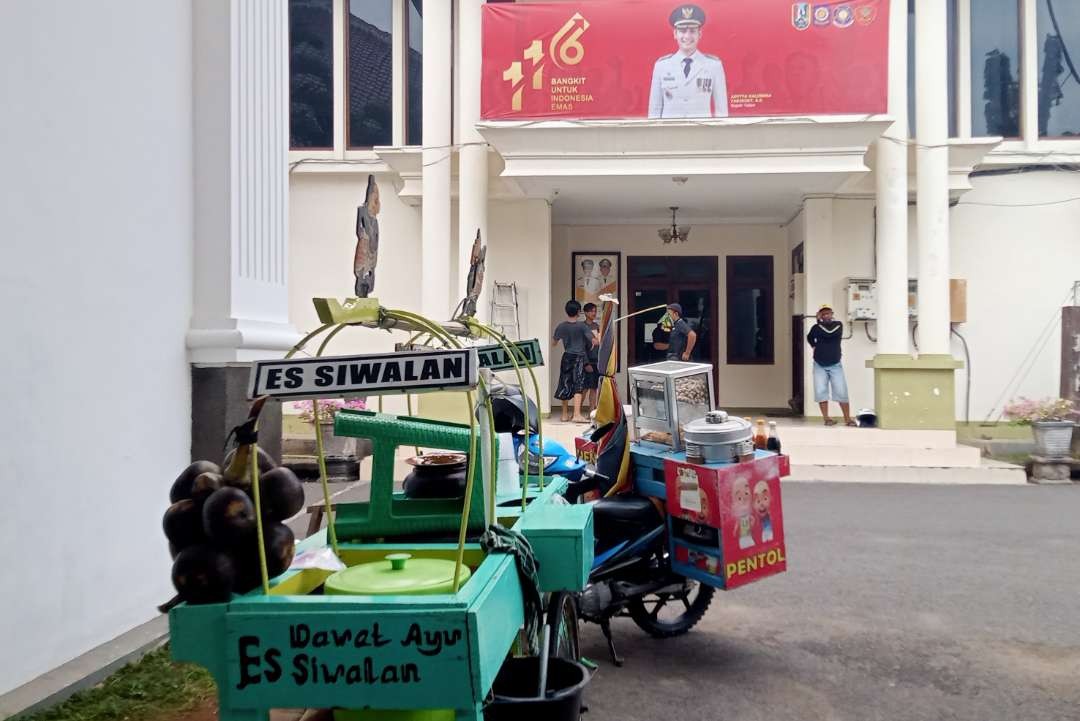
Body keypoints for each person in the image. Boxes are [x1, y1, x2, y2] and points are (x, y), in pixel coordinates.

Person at [648, 5, 729, 119]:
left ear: (699, 34)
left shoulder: (713, 66)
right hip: (669, 134)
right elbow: (654, 110)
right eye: (682, 31)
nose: (687, 36)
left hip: (702, 134)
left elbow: (722, 111)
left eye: (692, 31)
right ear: (675, 34)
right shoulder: (662, 66)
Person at [807, 303, 855, 426]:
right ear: (820, 316)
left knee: (841, 391)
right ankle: (826, 418)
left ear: (832, 314)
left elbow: (828, 333)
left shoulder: (838, 325)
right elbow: (809, 337)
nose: (826, 315)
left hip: (835, 364)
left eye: (828, 313)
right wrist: (813, 345)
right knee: (820, 391)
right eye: (824, 314)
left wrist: (818, 322)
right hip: (819, 364)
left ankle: (847, 419)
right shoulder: (816, 327)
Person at [552, 300, 594, 423]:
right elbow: (594, 341)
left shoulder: (561, 326)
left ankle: (564, 415)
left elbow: (554, 343)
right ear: (578, 311)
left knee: (564, 383)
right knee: (578, 385)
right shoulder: (582, 326)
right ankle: (576, 414)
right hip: (578, 357)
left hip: (566, 356)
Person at [581, 303, 601, 411]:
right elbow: (581, 347)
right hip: (586, 361)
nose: (594, 313)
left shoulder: (596, 326)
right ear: (586, 312)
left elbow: (599, 342)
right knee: (584, 388)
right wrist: (586, 363)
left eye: (595, 311)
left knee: (594, 388)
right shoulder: (581, 327)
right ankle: (577, 412)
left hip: (596, 360)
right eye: (591, 311)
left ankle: (592, 411)